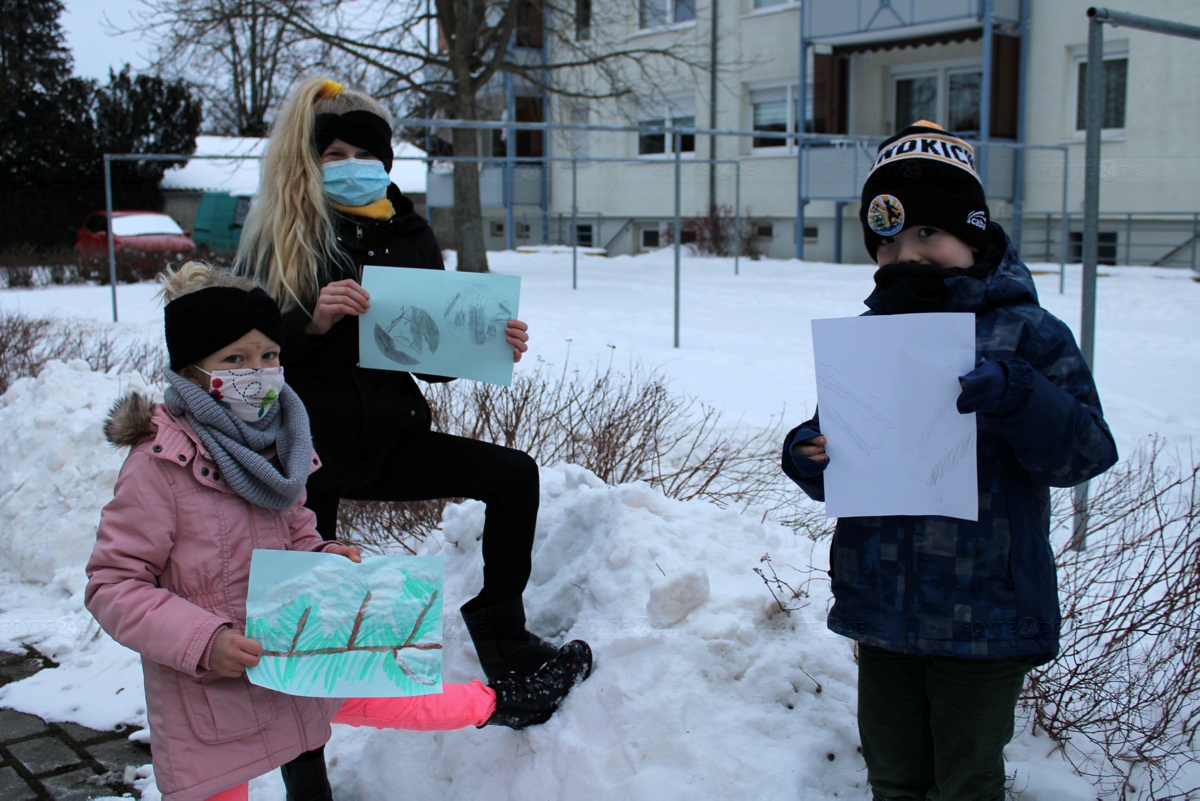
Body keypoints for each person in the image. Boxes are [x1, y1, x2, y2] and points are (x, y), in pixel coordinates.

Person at [85, 262, 592, 801]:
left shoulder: (279, 441)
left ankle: (504, 703)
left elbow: (295, 525)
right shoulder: (160, 463)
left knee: (398, 686)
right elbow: (112, 586)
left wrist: (323, 551)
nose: (257, 372)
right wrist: (206, 642)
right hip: (210, 692)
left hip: (294, 652)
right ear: (189, 372)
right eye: (234, 359)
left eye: (269, 356)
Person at [781, 121, 1118, 800]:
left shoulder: (1029, 333)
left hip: (985, 616)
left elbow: (1086, 451)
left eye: (927, 234)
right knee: (894, 774)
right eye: (890, 241)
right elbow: (847, 439)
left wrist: (1019, 394)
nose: (908, 254)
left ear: (973, 233)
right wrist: (811, 453)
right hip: (883, 610)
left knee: (966, 780)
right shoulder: (874, 337)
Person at [235, 76, 572, 688]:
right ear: (309, 162)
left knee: (515, 476)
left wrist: (490, 341)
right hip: (299, 452)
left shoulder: (409, 234)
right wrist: (309, 321)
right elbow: (237, 360)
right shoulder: (282, 234)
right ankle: (304, 749)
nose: (351, 167)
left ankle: (507, 645)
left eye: (366, 156)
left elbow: (432, 362)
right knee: (298, 623)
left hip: (389, 438)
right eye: (334, 155)